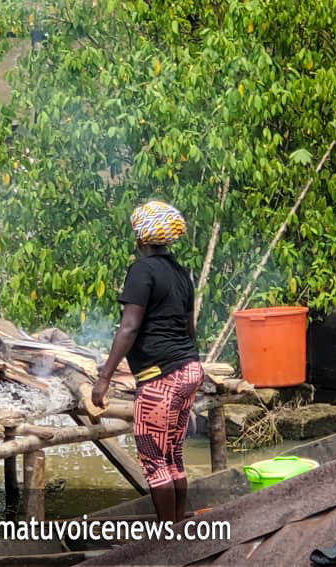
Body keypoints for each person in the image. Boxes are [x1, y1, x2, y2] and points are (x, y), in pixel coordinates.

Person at [92, 200, 204, 525]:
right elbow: (190, 328)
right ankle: (179, 525)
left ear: (140, 238)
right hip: (189, 369)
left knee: (154, 461)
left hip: (160, 379)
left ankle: (166, 540)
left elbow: (129, 326)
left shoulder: (142, 270)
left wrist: (104, 379)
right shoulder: (181, 273)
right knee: (173, 455)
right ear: (167, 239)